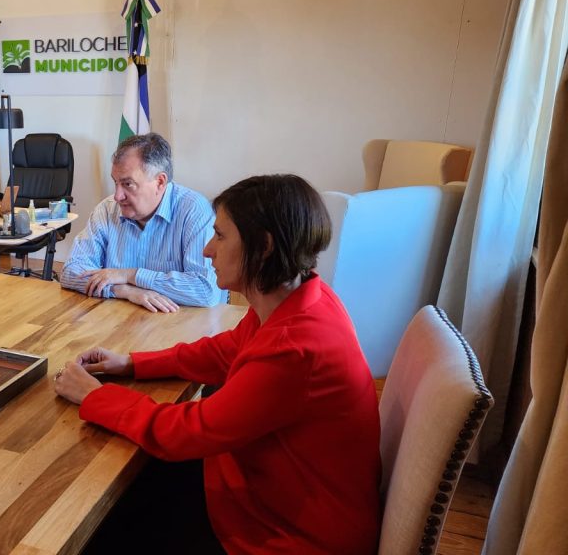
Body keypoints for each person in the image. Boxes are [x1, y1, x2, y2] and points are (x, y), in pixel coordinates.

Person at [54, 174, 381, 554]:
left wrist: (95, 397)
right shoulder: (303, 297)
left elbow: (188, 432)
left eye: (221, 236)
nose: (208, 250)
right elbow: (226, 350)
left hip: (285, 533)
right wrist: (131, 363)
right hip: (267, 491)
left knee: (98, 526)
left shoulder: (294, 347)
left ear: (263, 246)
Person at [60, 133, 223, 312]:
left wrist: (128, 275)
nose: (117, 196)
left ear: (160, 182)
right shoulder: (107, 210)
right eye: (115, 183)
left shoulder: (194, 211)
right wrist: (123, 290)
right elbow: (70, 272)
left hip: (180, 325)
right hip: (117, 323)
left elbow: (205, 290)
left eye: (127, 184)